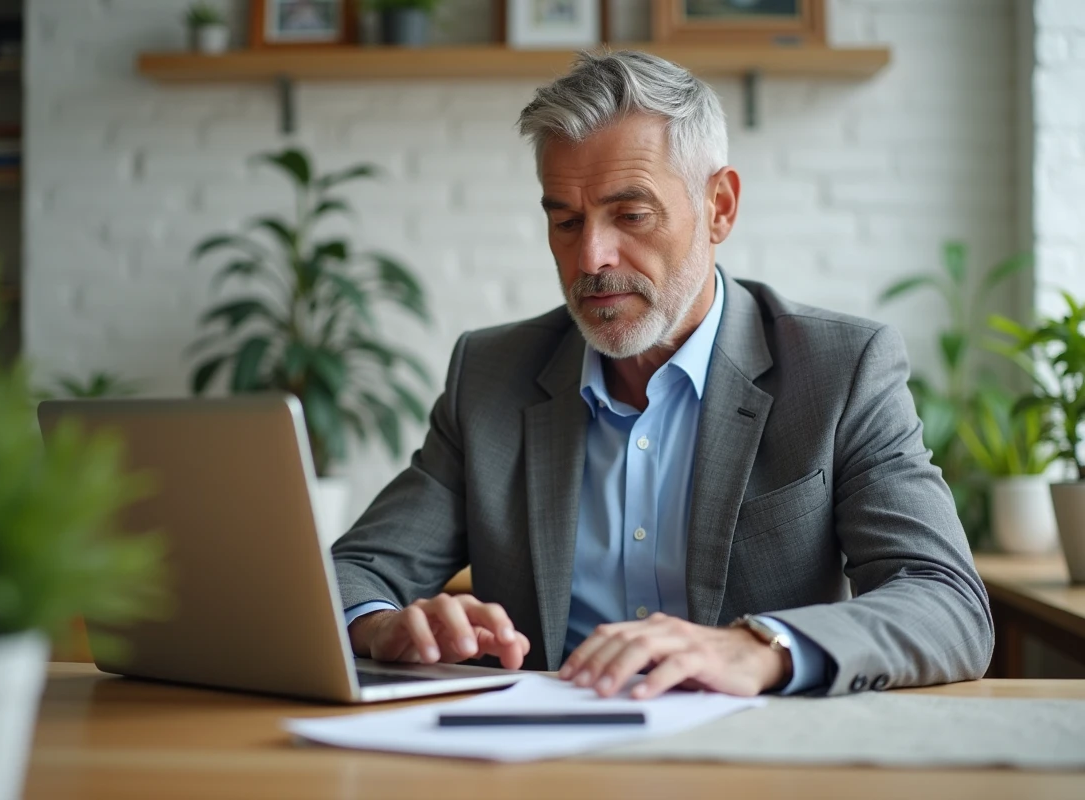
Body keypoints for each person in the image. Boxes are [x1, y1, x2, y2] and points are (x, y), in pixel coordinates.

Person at [331, 50, 993, 698]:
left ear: (720, 207)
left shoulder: (840, 370)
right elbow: (349, 572)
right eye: (565, 220)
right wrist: (384, 626)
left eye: (631, 215)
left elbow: (947, 603)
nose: (591, 256)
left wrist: (758, 647)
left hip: (754, 760)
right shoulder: (492, 377)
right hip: (545, 762)